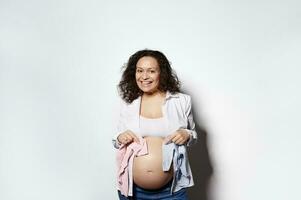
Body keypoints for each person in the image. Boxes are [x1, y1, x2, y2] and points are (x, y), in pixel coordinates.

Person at [112, 49, 198, 200]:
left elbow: (193, 135)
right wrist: (120, 137)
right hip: (132, 190)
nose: (144, 76)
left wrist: (186, 134)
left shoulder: (181, 101)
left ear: (162, 73)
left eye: (151, 71)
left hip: (172, 191)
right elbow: (116, 139)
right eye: (140, 71)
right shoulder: (128, 103)